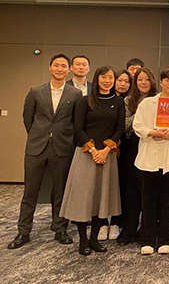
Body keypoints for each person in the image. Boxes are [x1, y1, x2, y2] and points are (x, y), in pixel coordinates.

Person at [7, 54, 82, 250]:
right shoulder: (35, 91)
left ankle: (60, 229)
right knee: (30, 191)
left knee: (60, 191)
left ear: (69, 70)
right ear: (50, 68)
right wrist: (38, 135)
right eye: (56, 65)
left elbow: (75, 123)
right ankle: (23, 231)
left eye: (63, 66)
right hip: (36, 147)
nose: (60, 69)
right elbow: (28, 119)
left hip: (62, 148)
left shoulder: (74, 94)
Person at [59, 66, 125, 255]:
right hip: (86, 153)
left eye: (111, 77)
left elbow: (119, 128)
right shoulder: (84, 100)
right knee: (84, 198)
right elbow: (78, 128)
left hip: (108, 154)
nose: (107, 81)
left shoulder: (118, 101)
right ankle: (83, 240)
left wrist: (105, 150)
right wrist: (94, 150)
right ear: (97, 79)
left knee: (101, 198)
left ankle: (94, 238)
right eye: (103, 77)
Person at [133, 68, 169, 255]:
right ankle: (147, 239)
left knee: (167, 201)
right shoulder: (147, 103)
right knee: (147, 201)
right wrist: (153, 133)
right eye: (167, 80)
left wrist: (168, 136)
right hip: (148, 159)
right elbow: (138, 126)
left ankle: (165, 239)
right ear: (161, 82)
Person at [116, 67, 157, 246]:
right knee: (131, 191)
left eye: (147, 79)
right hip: (131, 148)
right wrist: (140, 113)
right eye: (140, 79)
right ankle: (128, 230)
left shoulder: (159, 100)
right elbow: (123, 126)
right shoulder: (127, 101)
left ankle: (146, 231)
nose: (143, 82)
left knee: (149, 192)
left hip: (153, 147)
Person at [97, 69, 132, 241]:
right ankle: (102, 222)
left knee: (121, 186)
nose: (123, 84)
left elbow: (124, 126)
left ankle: (117, 222)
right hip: (102, 148)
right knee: (102, 186)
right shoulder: (101, 99)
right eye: (120, 80)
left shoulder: (129, 102)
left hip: (124, 148)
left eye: (127, 81)